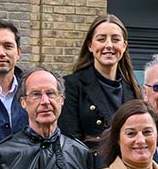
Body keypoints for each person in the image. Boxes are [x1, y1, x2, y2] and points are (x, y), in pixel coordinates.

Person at [61, 14, 142, 147]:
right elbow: (70, 142)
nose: (109, 45)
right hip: (90, 166)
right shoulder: (71, 85)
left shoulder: (133, 89)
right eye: (101, 39)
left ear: (124, 46)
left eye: (115, 39)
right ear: (90, 45)